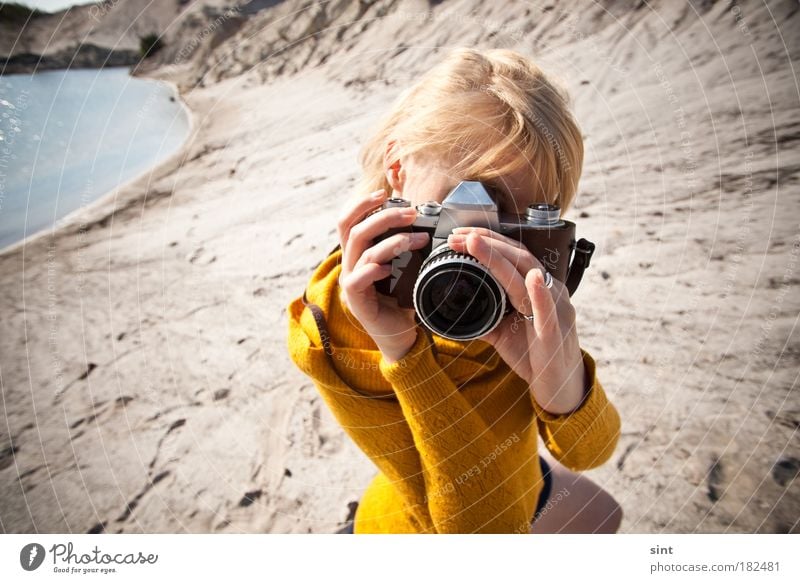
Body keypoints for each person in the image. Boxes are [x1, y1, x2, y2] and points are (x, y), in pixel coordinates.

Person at [287, 47, 622, 534]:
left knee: (607, 514)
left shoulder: (513, 298)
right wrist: (401, 350)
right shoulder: (335, 325)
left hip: (516, 477)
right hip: (426, 521)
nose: (472, 241)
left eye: (508, 221)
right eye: (455, 201)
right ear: (397, 167)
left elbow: (589, 451)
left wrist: (560, 384)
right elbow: (479, 531)